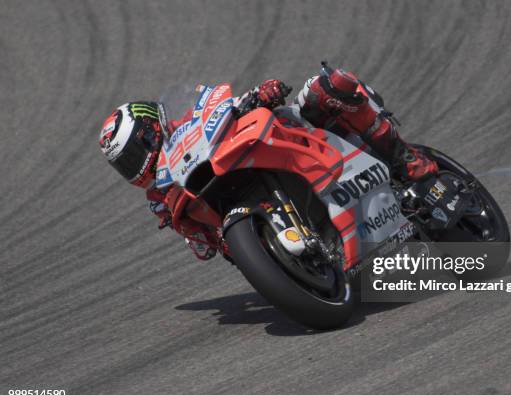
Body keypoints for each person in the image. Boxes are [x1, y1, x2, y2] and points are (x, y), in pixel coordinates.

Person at [98, 67, 437, 261]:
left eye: (131, 155)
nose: (133, 167)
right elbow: (208, 248)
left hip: (284, 141)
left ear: (150, 131)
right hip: (251, 209)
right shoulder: (162, 200)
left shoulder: (189, 120)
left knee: (327, 87)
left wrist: (259, 95)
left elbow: (222, 107)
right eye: (123, 165)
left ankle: (404, 159)